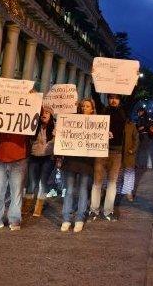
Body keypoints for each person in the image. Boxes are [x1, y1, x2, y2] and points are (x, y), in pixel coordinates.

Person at [0, 88, 31, 232]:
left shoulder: (25, 114)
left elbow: (36, 117)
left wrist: (34, 100)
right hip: (2, 156)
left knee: (16, 191)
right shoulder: (4, 114)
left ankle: (14, 220)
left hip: (19, 157)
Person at [60, 98, 96, 233]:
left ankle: (80, 218)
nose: (84, 108)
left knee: (83, 190)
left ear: (92, 109)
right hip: (71, 161)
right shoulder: (72, 120)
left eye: (87, 106)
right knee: (69, 190)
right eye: (82, 106)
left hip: (86, 163)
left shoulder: (97, 123)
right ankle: (66, 218)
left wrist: (106, 136)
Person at [89, 94, 126, 221]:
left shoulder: (124, 111)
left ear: (120, 100)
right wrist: (94, 79)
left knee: (112, 183)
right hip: (101, 150)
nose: (113, 100)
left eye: (116, 98)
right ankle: (94, 210)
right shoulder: (103, 110)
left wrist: (135, 80)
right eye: (111, 98)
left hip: (116, 152)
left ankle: (108, 211)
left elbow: (132, 97)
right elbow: (97, 98)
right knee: (97, 182)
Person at [24, 107, 55, 217]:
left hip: (48, 158)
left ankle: (38, 207)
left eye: (47, 113)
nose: (44, 114)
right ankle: (26, 205)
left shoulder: (55, 128)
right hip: (34, 156)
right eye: (42, 112)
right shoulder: (34, 125)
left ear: (51, 115)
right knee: (31, 182)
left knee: (42, 183)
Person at [120, 117, 140, 202]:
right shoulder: (113, 123)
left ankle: (128, 192)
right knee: (115, 175)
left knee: (129, 174)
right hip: (116, 153)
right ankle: (113, 193)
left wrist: (132, 150)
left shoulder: (131, 126)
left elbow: (136, 140)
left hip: (128, 154)